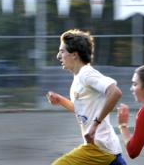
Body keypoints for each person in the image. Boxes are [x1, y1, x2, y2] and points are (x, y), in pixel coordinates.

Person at [47, 29, 127, 165]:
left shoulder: (86, 74)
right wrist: (61, 101)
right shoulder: (79, 78)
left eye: (62, 51)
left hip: (99, 149)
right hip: (107, 149)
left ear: (74, 55)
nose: (58, 56)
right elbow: (84, 111)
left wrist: (94, 125)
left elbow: (115, 92)